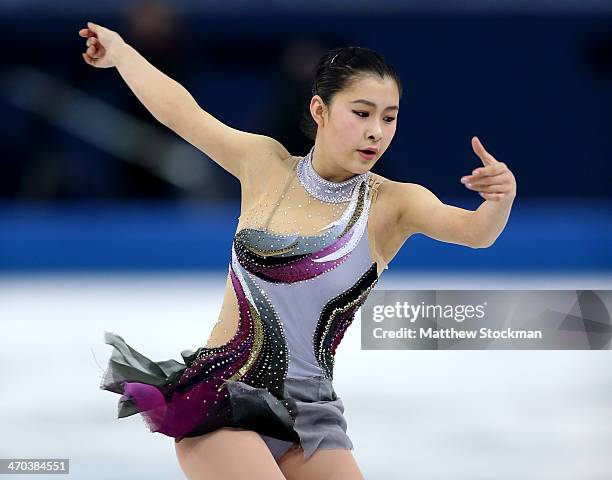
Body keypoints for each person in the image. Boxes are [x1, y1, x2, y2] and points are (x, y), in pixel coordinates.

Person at [80, 21, 516, 480]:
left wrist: (499, 200)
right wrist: (122, 53)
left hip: (309, 414)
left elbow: (474, 232)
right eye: (362, 113)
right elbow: (181, 113)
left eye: (389, 118)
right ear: (320, 110)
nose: (376, 131)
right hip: (223, 395)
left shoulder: (393, 203)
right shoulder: (265, 166)